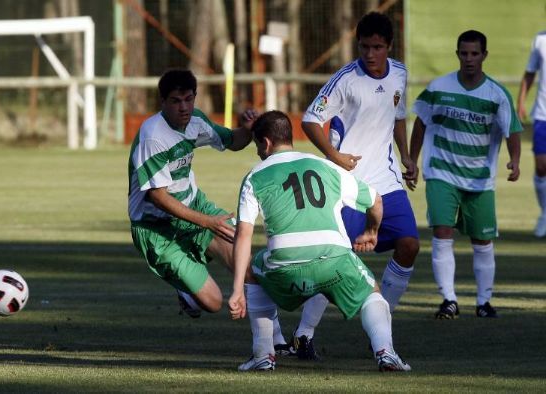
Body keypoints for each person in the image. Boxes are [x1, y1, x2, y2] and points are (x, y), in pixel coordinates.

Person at [127, 68, 314, 358]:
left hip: (194, 207)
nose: (184, 107)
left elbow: (233, 141)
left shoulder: (195, 121)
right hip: (156, 228)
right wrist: (207, 221)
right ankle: (187, 293)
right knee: (213, 302)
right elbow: (158, 197)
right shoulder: (153, 136)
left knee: (245, 261)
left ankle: (274, 342)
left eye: (189, 99)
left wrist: (249, 128)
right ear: (162, 101)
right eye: (176, 101)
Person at [229, 111, 411, 372]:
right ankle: (386, 352)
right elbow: (376, 201)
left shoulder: (254, 176)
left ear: (266, 143)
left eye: (258, 145)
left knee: (252, 269)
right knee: (371, 293)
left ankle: (263, 355)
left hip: (285, 268)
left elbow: (243, 235)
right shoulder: (325, 167)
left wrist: (237, 290)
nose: (258, 152)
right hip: (333, 262)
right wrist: (371, 231)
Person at [301, 11, 419, 317]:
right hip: (348, 184)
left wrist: (405, 155)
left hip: (387, 181)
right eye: (364, 46)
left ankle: (384, 320)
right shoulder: (345, 79)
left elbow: (398, 115)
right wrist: (334, 155)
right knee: (335, 261)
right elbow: (311, 120)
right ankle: (304, 335)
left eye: (377, 47)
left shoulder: (400, 74)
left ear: (389, 46)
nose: (370, 54)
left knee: (409, 245)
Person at [409, 30, 522, 319]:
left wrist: (515, 161)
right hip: (441, 172)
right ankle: (448, 300)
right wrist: (412, 160)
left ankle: (484, 302)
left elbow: (512, 130)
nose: (469, 58)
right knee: (442, 231)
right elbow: (421, 121)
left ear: (484, 55)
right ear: (457, 54)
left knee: (482, 241)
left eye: (474, 53)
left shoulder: (497, 94)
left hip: (479, 178)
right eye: (464, 53)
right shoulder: (439, 87)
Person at [517, 31, 546, 237]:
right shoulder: (539, 40)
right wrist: (520, 102)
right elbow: (529, 73)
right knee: (541, 165)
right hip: (542, 114)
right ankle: (545, 214)